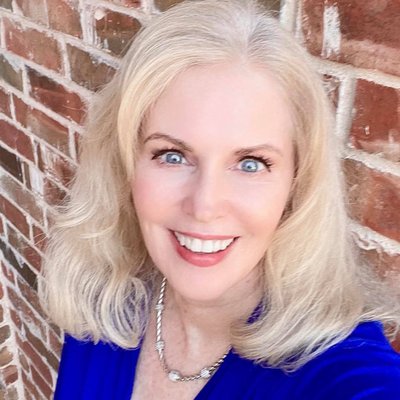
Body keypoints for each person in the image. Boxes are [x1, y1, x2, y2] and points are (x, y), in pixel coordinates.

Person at [38, 0, 400, 399]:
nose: (204, 206)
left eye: (250, 163)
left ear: (297, 183)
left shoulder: (340, 372)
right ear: (124, 166)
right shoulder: (107, 304)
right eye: (171, 156)